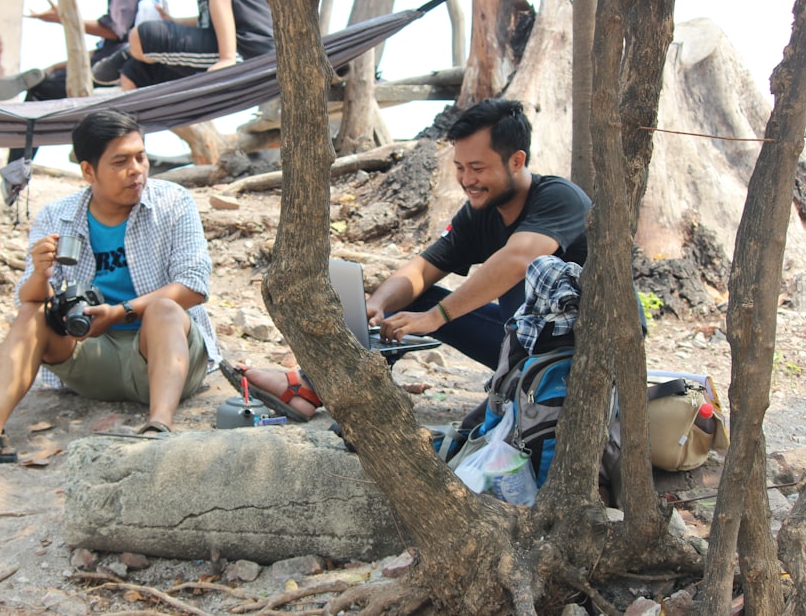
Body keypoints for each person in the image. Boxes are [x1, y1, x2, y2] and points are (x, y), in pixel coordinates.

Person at [223, 98, 592, 422]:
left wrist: (436, 317)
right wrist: (377, 304)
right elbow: (422, 269)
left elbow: (518, 258)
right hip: (516, 344)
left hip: (568, 353)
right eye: (460, 167)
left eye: (477, 168)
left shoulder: (559, 198)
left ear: (517, 160)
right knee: (408, 297)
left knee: (469, 436)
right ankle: (311, 389)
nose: (467, 180)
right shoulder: (479, 212)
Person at [0, 108, 220, 465]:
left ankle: (159, 428)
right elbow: (29, 298)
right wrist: (39, 274)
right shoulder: (56, 216)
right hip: (94, 358)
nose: (136, 170)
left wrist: (120, 312)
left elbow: (194, 285)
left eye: (141, 157)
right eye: (120, 162)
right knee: (33, 312)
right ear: (88, 170)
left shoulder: (173, 202)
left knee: (165, 308)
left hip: (166, 356)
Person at [0, 0, 155, 165]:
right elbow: (113, 41)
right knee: (55, 75)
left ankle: (15, 169)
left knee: (40, 93)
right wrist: (61, 65)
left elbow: (113, 29)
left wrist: (64, 17)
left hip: (117, 69)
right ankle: (49, 75)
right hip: (117, 62)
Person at [89, 0, 274, 89]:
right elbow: (227, 11)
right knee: (135, 71)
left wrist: (227, 59)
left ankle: (128, 50)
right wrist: (176, 23)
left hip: (246, 49)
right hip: (237, 42)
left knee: (143, 36)